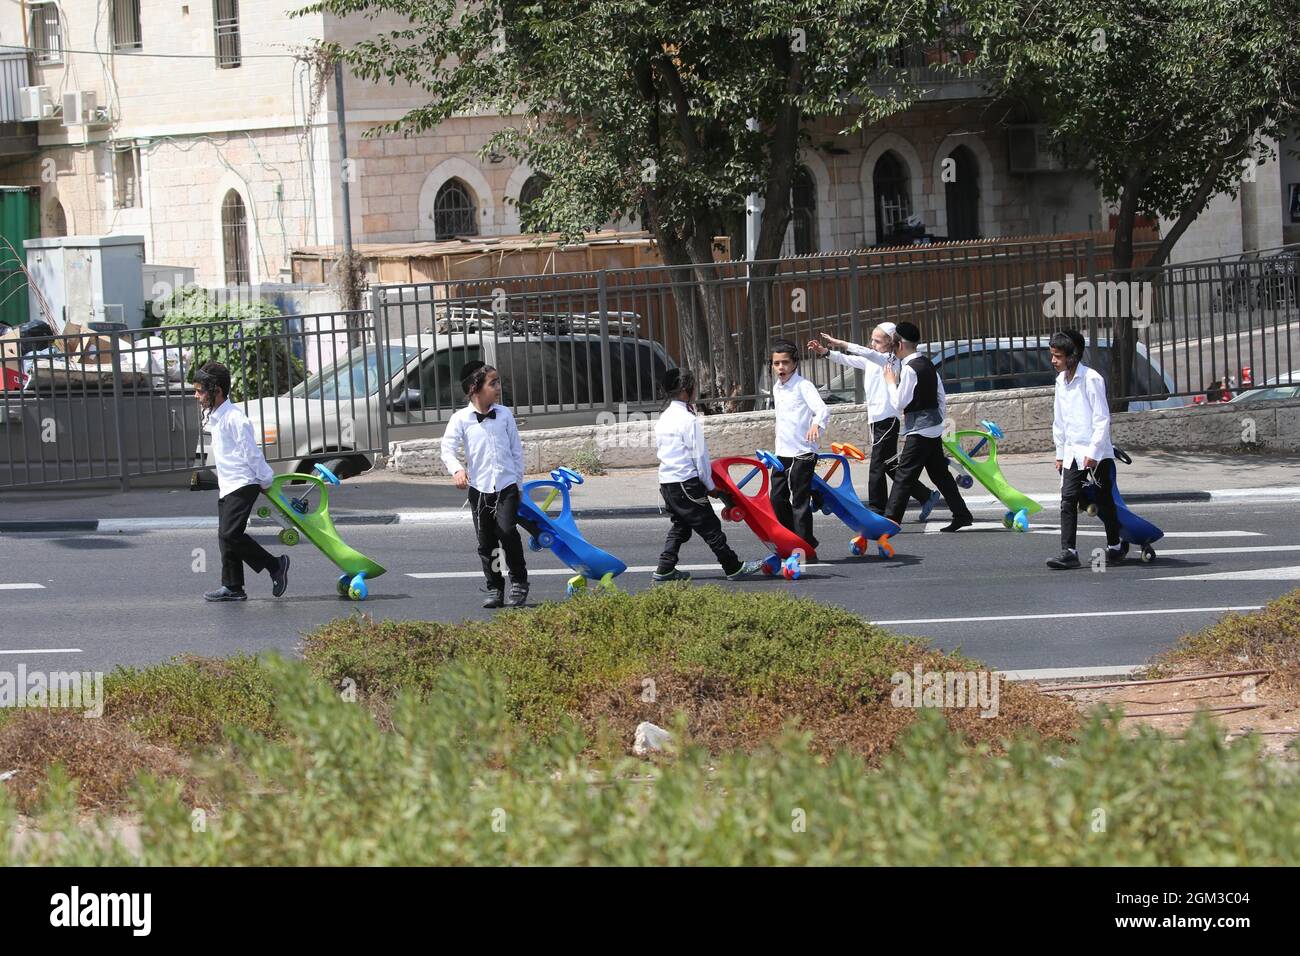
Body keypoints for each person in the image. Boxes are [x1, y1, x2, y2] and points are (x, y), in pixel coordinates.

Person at [811, 324, 941, 520]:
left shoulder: (889, 360)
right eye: (872, 339)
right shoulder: (873, 359)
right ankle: (925, 495)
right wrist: (826, 352)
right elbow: (850, 359)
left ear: (891, 343)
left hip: (887, 419)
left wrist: (840, 343)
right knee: (889, 464)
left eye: (878, 341)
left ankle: (876, 510)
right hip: (877, 419)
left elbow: (862, 352)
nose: (873, 344)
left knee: (877, 465)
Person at [652, 368, 761, 582]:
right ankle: (733, 567)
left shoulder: (664, 417)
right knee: (710, 527)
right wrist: (710, 486)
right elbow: (699, 458)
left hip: (667, 484)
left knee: (681, 526)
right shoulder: (688, 419)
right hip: (686, 482)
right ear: (687, 391)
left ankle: (665, 568)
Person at [194, 361, 289, 602]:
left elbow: (251, 453)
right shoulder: (217, 416)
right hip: (228, 485)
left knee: (230, 534)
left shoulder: (235, 418)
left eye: (200, 390)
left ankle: (275, 565)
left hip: (244, 483)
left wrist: (266, 480)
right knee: (224, 536)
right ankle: (233, 586)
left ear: (216, 391)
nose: (196, 396)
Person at [440, 361, 530, 608]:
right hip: (479, 490)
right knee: (487, 542)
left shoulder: (504, 415)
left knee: (507, 532)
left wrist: (519, 485)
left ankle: (519, 582)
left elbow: (516, 452)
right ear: (474, 388)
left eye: (498, 382)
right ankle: (495, 588)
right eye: (493, 383)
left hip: (506, 486)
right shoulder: (460, 419)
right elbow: (446, 449)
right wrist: (457, 469)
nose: (499, 388)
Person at [879, 322, 973, 532]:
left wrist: (889, 381)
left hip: (920, 431)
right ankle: (962, 514)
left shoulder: (911, 369)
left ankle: (889, 521)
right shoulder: (927, 363)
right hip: (933, 428)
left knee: (903, 476)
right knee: (940, 474)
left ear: (900, 344)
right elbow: (941, 395)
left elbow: (898, 403)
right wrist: (940, 421)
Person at [1048, 329, 1125, 570]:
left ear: (1073, 356)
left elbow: (1102, 419)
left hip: (1096, 454)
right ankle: (1069, 551)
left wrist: (1093, 452)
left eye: (1058, 356)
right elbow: (1059, 420)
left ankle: (1115, 546)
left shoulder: (1091, 379)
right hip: (1072, 452)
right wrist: (1060, 453)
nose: (1053, 361)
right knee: (1067, 500)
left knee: (1104, 501)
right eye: (1052, 355)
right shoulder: (1061, 381)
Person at [768, 339, 829, 555]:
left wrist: (815, 424)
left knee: (799, 500)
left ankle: (804, 547)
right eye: (776, 364)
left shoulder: (804, 385)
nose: (780, 368)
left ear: (795, 363)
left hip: (803, 452)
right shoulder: (777, 388)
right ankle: (793, 538)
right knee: (776, 497)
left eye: (785, 362)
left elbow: (822, 410)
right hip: (782, 451)